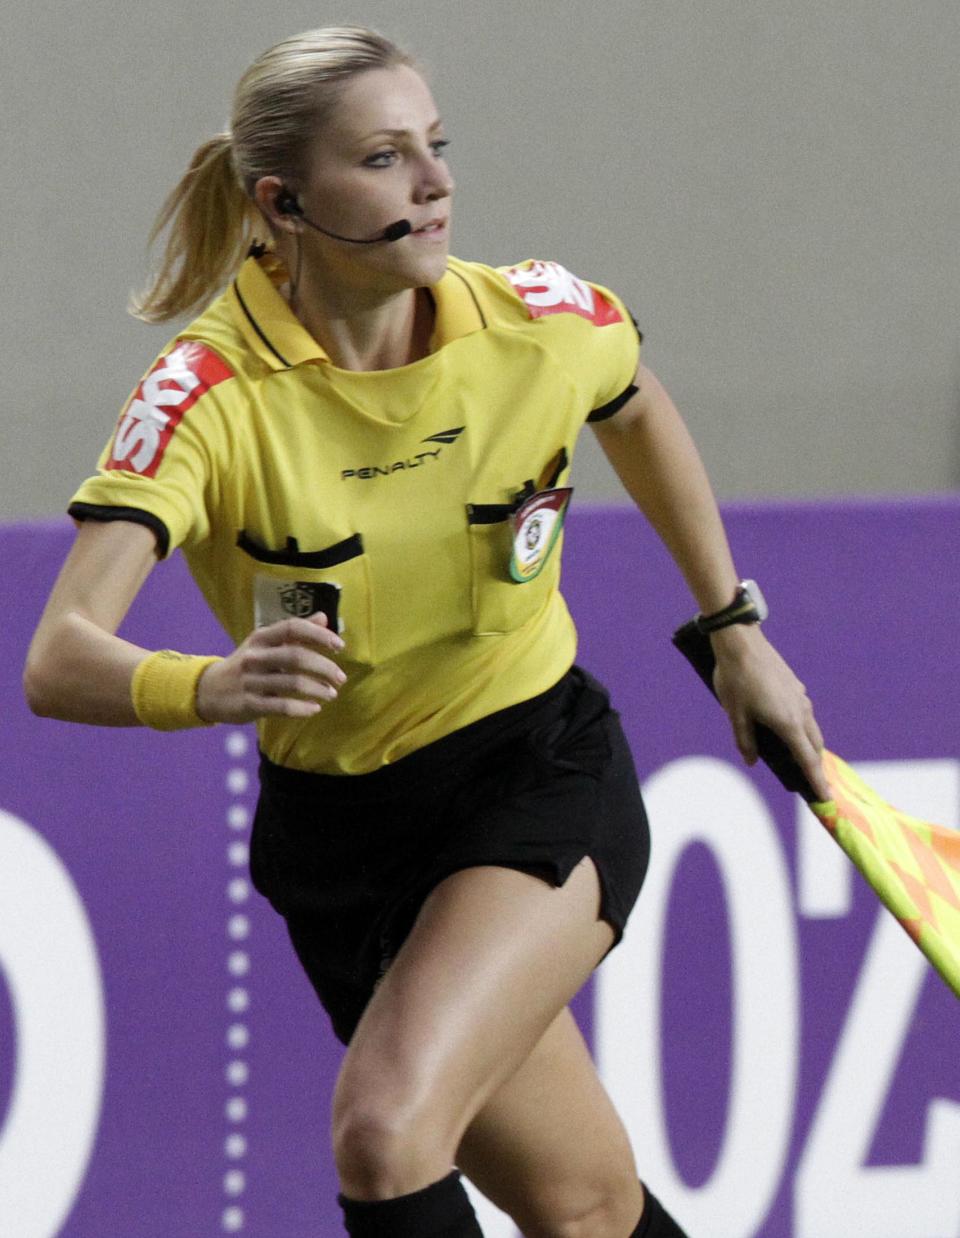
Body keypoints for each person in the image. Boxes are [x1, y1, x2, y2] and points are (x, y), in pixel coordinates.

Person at [24, 25, 829, 1238]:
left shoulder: (534, 321)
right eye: (388, 158)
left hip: (533, 771)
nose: (437, 181)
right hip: (341, 840)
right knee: (586, 1202)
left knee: (387, 1131)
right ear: (283, 202)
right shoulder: (206, 397)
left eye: (436, 147)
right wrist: (213, 680)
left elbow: (634, 402)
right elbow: (60, 654)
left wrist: (732, 627)